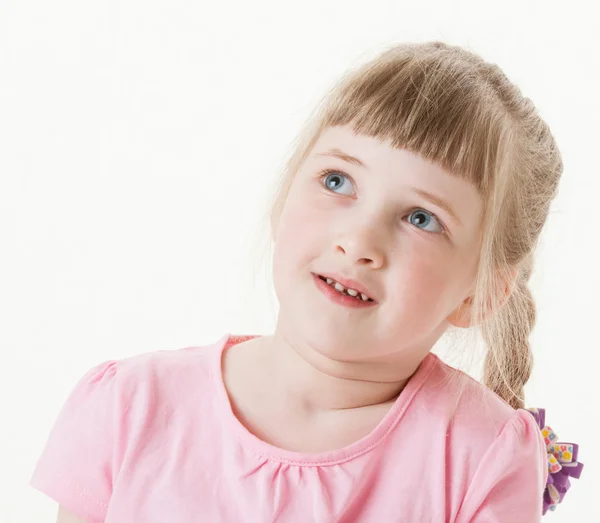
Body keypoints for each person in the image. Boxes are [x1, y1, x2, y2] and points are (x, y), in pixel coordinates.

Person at [30, 41, 583, 523]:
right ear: (283, 199)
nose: (358, 241)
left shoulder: (479, 457)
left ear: (479, 292)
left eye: (421, 218)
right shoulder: (129, 408)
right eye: (337, 181)